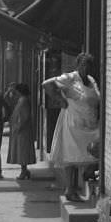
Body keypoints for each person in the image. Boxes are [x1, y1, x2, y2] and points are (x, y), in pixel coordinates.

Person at [42, 52, 101, 202]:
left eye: (89, 65)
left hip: (90, 123)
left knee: (94, 152)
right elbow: (47, 84)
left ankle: (86, 179)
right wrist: (59, 100)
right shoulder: (70, 78)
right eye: (83, 64)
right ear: (78, 65)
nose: (86, 68)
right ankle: (70, 189)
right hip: (73, 122)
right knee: (72, 155)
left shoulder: (91, 80)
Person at [6, 83, 37, 180]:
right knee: (21, 151)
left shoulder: (23, 101)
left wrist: (18, 127)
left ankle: (23, 171)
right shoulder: (21, 100)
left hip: (22, 131)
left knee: (22, 152)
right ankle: (25, 170)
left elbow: (24, 116)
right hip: (21, 130)